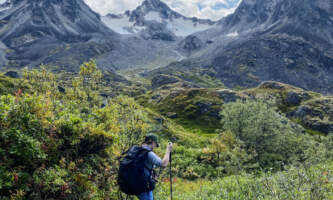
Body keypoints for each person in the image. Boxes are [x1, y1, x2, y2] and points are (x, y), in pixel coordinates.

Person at [137, 134, 173, 200]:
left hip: (135, 183)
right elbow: (164, 164)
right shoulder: (148, 153)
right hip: (144, 186)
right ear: (152, 142)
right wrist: (168, 149)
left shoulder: (138, 150)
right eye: (155, 144)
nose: (154, 147)